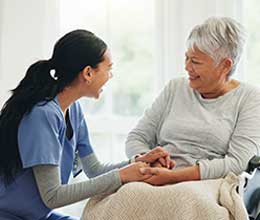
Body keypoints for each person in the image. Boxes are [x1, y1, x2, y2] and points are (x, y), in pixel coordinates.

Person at [0, 30, 171, 220]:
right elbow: (53, 196)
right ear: (88, 73)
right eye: (108, 68)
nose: (110, 75)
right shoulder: (42, 115)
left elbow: (94, 170)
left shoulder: (74, 110)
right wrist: (123, 175)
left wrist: (138, 162)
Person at [126, 17, 260, 186]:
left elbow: (237, 162)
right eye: (187, 58)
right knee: (114, 199)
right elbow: (137, 137)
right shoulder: (175, 88)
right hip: (155, 178)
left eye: (195, 62)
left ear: (225, 66)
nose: (187, 67)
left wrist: (174, 177)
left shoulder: (250, 98)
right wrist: (147, 159)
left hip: (207, 186)